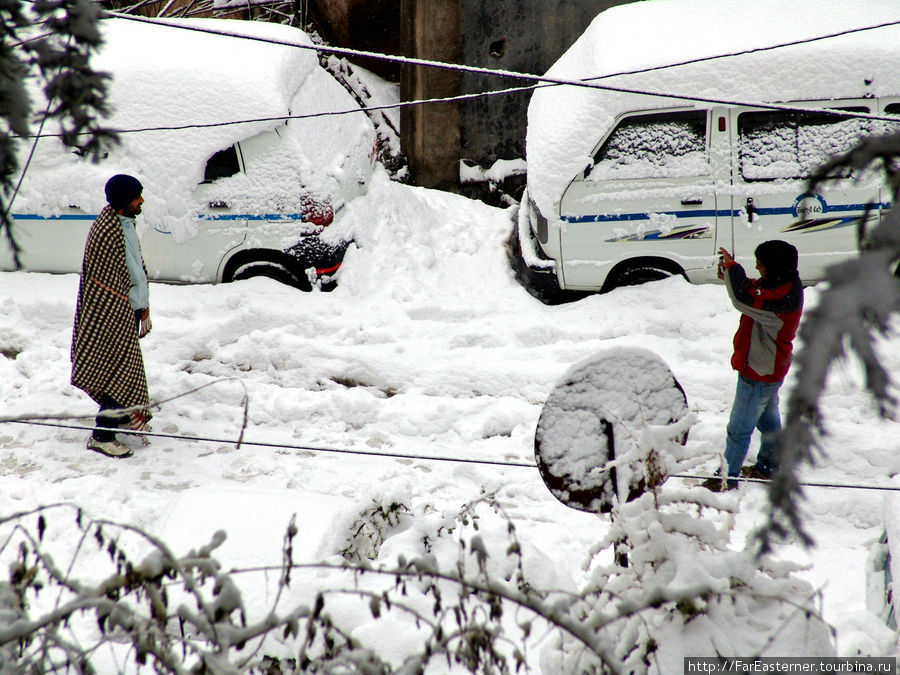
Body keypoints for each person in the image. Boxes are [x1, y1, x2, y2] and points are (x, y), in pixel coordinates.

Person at [701, 240, 803, 492]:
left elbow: (743, 298)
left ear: (775, 266)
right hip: (770, 369)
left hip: (759, 371)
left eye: (761, 262)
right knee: (768, 422)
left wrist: (732, 268)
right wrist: (729, 274)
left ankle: (726, 478)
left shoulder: (781, 300)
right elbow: (752, 290)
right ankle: (769, 466)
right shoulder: (784, 284)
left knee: (738, 429)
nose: (756, 264)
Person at [71, 174, 153, 458]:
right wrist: (128, 306)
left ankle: (118, 418)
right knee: (120, 371)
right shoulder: (106, 231)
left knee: (121, 370)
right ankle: (101, 435)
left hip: (128, 309)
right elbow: (104, 284)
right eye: (136, 197)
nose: (141, 200)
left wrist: (142, 304)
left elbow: (132, 268)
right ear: (122, 202)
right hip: (111, 314)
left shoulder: (126, 223)